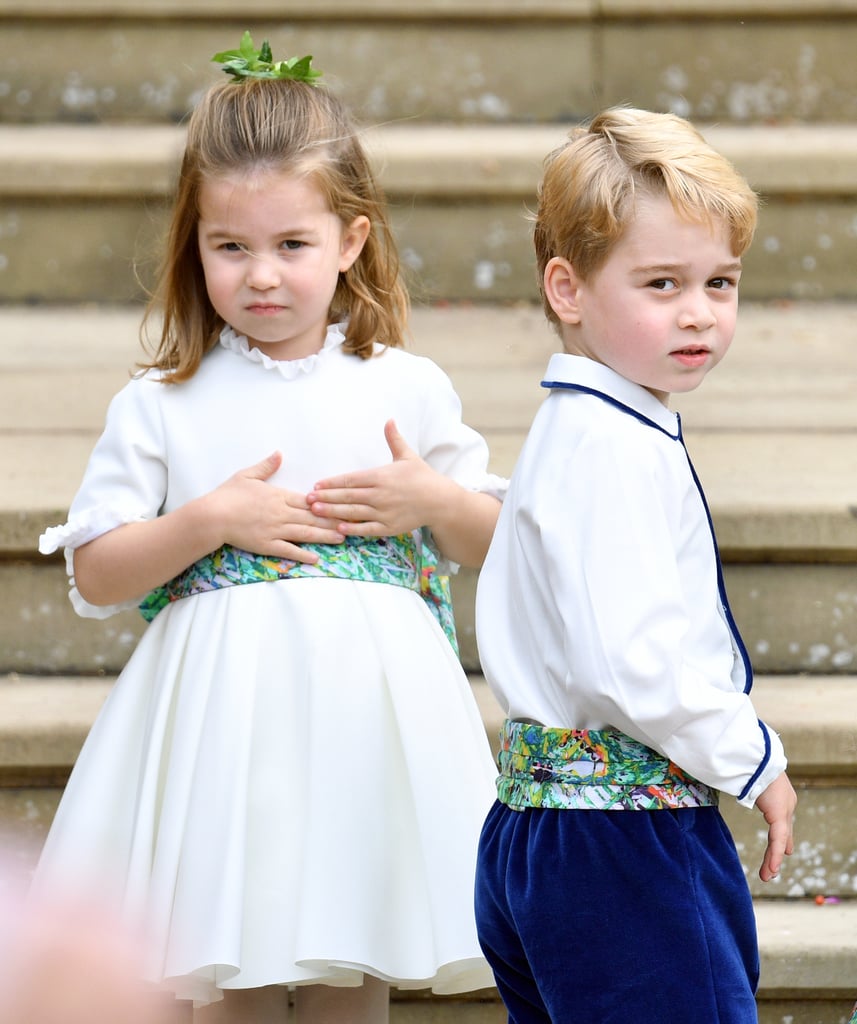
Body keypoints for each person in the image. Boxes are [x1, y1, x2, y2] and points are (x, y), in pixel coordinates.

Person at [34, 34, 504, 1023]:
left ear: (351, 239)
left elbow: (499, 542)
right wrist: (205, 520)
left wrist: (434, 504)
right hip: (222, 731)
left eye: (291, 245)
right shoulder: (166, 401)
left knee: (348, 968)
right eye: (229, 247)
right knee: (230, 971)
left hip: (363, 725)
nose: (260, 276)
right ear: (191, 242)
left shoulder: (403, 386)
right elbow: (100, 569)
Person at [473, 107, 797, 1023]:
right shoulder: (609, 447)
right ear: (566, 290)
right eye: (661, 283)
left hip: (541, 836)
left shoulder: (580, 429)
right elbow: (632, 658)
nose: (697, 312)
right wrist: (751, 759)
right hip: (621, 845)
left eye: (719, 282)